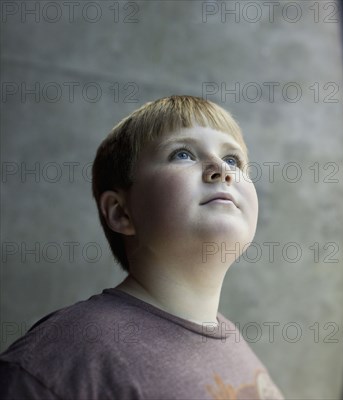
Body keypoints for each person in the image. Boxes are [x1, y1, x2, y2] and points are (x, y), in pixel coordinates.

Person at [0, 95, 285, 399]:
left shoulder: (233, 343)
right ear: (122, 212)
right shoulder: (61, 361)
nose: (221, 169)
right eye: (183, 154)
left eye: (233, 160)